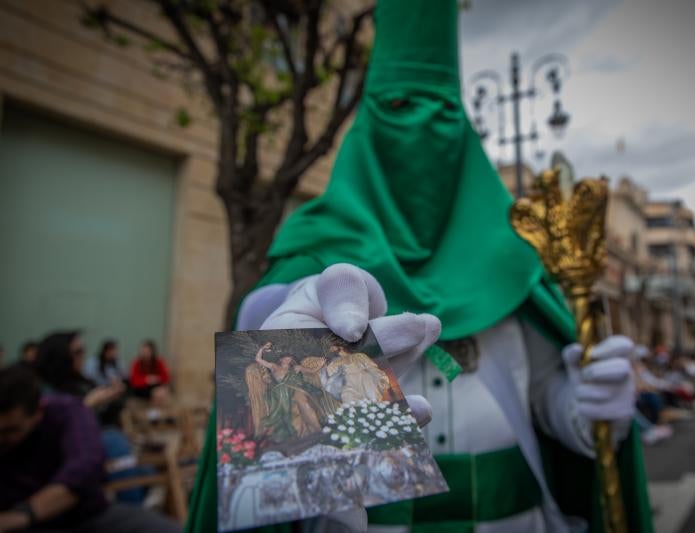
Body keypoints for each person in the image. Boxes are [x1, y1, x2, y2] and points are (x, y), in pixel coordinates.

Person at [187, 1, 651, 531]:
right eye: (399, 106)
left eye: (441, 111)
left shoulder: (514, 262)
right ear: (366, 125)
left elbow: (547, 395)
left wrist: (590, 410)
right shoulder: (307, 269)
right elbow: (277, 464)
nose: (419, 132)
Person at [0, 365, 180, 533]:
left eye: (11, 431)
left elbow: (84, 468)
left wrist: (25, 513)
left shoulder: (66, 411)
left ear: (39, 411)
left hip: (81, 516)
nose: (4, 439)